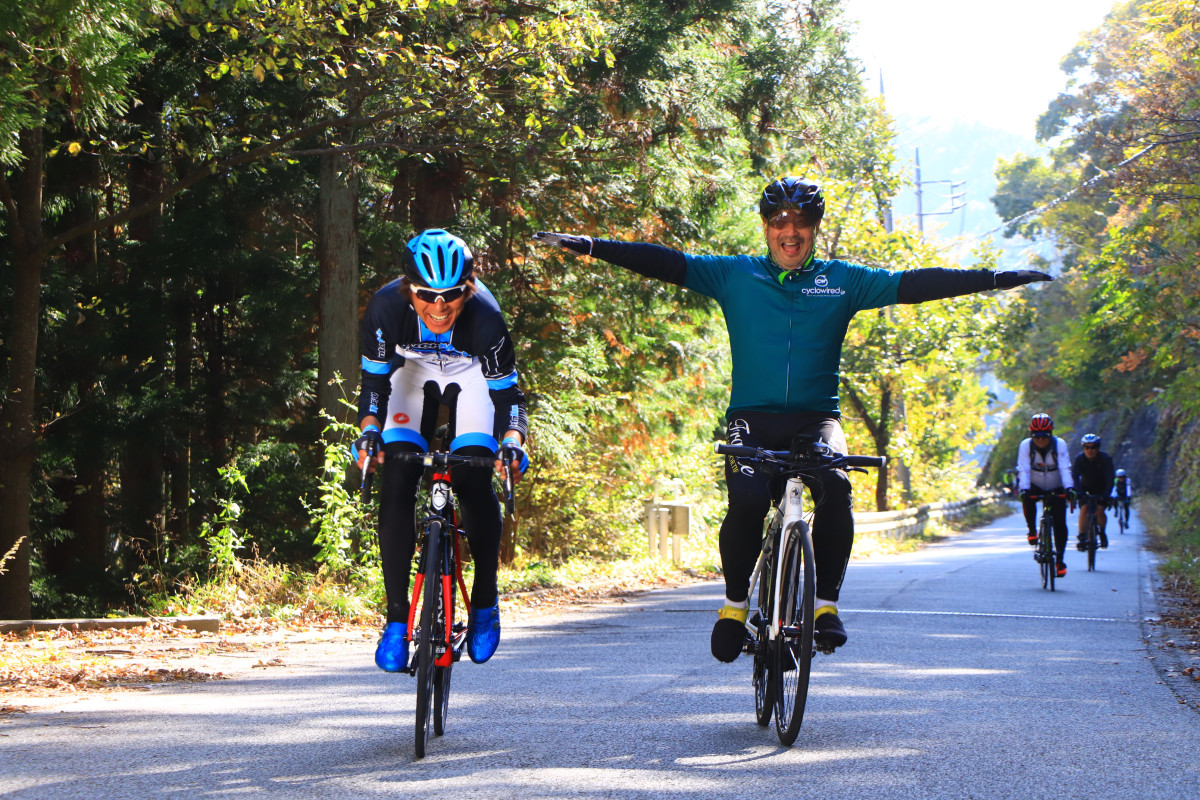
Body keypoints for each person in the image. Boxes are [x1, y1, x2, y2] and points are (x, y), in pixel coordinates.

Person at [532, 176, 1052, 662]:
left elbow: (916, 284)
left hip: (816, 419)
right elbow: (669, 263)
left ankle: (825, 603)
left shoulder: (842, 281)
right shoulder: (735, 274)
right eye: (778, 221)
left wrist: (996, 278)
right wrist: (594, 245)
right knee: (750, 499)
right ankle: (735, 605)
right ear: (765, 227)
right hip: (752, 419)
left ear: (814, 229)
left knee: (838, 489)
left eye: (800, 222)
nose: (789, 231)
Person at [354, 229, 529, 672]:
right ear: (407, 289)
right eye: (426, 295)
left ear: (467, 289)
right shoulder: (385, 309)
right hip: (410, 377)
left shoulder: (486, 318)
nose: (438, 306)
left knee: (472, 478)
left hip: (472, 380)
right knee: (396, 478)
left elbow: (508, 400)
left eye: (451, 294)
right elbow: (374, 385)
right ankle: (396, 623)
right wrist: (369, 433)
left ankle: (485, 603)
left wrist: (512, 442)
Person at [1016, 413, 1075, 578]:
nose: (1041, 440)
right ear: (1031, 435)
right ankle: (1032, 530)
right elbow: (1024, 469)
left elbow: (1064, 468)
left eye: (1045, 436)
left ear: (1051, 434)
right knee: (1027, 498)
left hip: (1056, 484)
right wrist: (1024, 489)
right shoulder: (1026, 446)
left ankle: (1060, 559)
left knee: (1060, 523)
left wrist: (1069, 488)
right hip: (1035, 483)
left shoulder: (1059, 445)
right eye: (1037, 436)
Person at [1072, 433, 1116, 549]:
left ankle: (1102, 533)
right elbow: (1074, 477)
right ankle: (1082, 537)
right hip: (1085, 488)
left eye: (1093, 447)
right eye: (1087, 447)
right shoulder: (1079, 459)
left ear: (1098, 448)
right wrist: (1078, 492)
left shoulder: (1105, 459)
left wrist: (1106, 494)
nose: (1090, 450)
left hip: (1101, 489)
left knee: (1100, 510)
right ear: (1083, 448)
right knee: (1084, 509)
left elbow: (1110, 478)